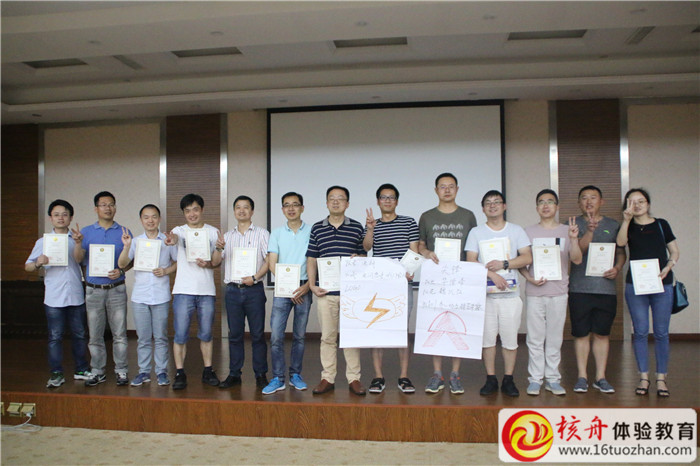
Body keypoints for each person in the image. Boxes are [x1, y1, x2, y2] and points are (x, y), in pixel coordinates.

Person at [466, 190, 532, 397]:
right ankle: (491, 378)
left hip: (510, 296)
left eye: (496, 202)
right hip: (485, 296)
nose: (492, 205)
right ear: (483, 208)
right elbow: (470, 260)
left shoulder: (516, 230)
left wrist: (504, 264)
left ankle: (509, 379)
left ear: (504, 206)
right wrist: (491, 274)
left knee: (510, 340)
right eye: (488, 203)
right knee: (487, 341)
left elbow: (527, 257)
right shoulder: (476, 232)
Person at [616, 188, 679, 397]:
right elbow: (620, 243)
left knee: (661, 333)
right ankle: (643, 377)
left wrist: (668, 267)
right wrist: (626, 221)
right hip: (636, 285)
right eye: (632, 201)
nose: (637, 205)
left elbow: (674, 251)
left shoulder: (661, 224)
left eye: (641, 201)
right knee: (641, 331)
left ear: (648, 204)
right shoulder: (628, 226)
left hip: (662, 283)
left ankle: (661, 378)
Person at [418, 173, 477, 394]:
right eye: (442, 187)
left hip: (461, 279)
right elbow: (421, 246)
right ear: (436, 190)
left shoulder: (468, 216)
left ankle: (455, 374)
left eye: (451, 186)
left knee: (458, 325)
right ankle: (437, 374)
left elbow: (473, 247)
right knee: (436, 323)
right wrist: (427, 253)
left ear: (457, 189)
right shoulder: (427, 217)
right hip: (436, 279)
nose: (447, 190)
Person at [520, 189, 582, 396]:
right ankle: (535, 379)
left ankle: (553, 379)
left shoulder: (567, 230)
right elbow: (521, 262)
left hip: (558, 292)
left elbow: (577, 259)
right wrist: (529, 278)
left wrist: (574, 239)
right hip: (535, 292)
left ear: (557, 206)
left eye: (550, 201)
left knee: (555, 338)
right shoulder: (527, 232)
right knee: (535, 339)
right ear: (536, 207)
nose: (545, 205)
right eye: (541, 202)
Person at [307, 186, 367, 396]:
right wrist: (312, 284)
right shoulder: (317, 228)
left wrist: (359, 258)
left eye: (340, 198)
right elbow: (312, 258)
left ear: (347, 204)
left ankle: (354, 378)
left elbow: (364, 255)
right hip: (326, 292)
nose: (335, 202)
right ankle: (328, 377)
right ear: (326, 203)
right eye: (332, 198)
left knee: (351, 337)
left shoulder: (357, 227)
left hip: (351, 293)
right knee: (327, 337)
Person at [26, 199, 91, 388]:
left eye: (64, 214)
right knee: (55, 337)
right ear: (50, 218)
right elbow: (28, 266)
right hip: (54, 297)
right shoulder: (43, 242)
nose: (61, 218)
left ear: (70, 217)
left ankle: (81, 369)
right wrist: (38, 263)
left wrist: (78, 243)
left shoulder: (77, 238)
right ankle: (56, 373)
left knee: (80, 334)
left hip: (75, 294)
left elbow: (80, 260)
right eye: (56, 215)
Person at [568, 185, 626, 394]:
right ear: (579, 203)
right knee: (581, 334)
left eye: (593, 197)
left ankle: (600, 377)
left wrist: (617, 268)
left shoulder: (613, 225)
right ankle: (582, 376)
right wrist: (590, 232)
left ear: (602, 202)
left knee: (602, 334)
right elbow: (576, 255)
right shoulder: (571, 224)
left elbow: (621, 252)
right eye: (584, 198)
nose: (588, 201)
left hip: (605, 289)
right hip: (579, 288)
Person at [363, 183, 419, 394]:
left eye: (391, 197)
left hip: (403, 284)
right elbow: (366, 247)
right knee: (377, 329)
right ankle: (378, 377)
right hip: (379, 285)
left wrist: (410, 270)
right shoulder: (372, 224)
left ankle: (404, 376)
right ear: (378, 201)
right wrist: (370, 229)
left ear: (397, 201)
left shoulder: (408, 222)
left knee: (401, 330)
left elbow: (414, 251)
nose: (387, 201)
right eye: (383, 197)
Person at [72, 191, 132, 387]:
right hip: (93, 290)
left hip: (116, 289)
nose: (108, 208)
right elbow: (79, 259)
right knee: (95, 335)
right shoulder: (86, 232)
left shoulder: (124, 231)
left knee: (120, 334)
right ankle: (98, 370)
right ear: (96, 208)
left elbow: (131, 261)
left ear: (115, 207)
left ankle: (121, 370)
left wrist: (120, 270)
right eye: (103, 204)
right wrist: (78, 243)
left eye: (111, 204)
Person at [164, 194, 223, 390]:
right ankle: (180, 373)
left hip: (206, 291)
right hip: (183, 290)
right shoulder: (178, 231)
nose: (192, 214)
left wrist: (215, 254)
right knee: (180, 334)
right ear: (184, 213)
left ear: (202, 210)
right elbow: (173, 239)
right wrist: (171, 240)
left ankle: (208, 370)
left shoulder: (213, 232)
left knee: (206, 333)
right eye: (187, 211)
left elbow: (216, 262)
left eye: (195, 209)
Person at [117, 204, 177, 387]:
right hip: (140, 296)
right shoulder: (135, 241)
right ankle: (144, 371)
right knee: (143, 338)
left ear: (159, 219)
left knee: (160, 337)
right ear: (141, 220)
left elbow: (178, 262)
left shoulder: (167, 241)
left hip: (161, 295)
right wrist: (126, 247)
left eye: (154, 217)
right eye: (146, 217)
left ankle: (161, 372)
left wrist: (166, 271)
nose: (150, 220)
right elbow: (122, 264)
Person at [262, 192, 312, 395]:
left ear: (302, 208)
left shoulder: (312, 231)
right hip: (283, 289)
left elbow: (315, 261)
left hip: (304, 288)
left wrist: (306, 286)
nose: (291, 208)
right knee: (276, 335)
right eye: (287, 205)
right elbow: (272, 263)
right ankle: (277, 378)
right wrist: (288, 285)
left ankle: (295, 375)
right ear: (282, 209)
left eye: (295, 204)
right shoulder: (276, 233)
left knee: (299, 336)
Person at [218, 195, 270, 390]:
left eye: (246, 207)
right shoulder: (227, 237)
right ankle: (234, 374)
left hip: (254, 290)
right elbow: (216, 261)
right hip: (232, 290)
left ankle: (260, 374)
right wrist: (218, 248)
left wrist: (255, 278)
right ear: (234, 211)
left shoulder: (262, 234)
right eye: (238, 207)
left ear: (252, 211)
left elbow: (269, 261)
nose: (241, 210)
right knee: (235, 335)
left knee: (257, 335)